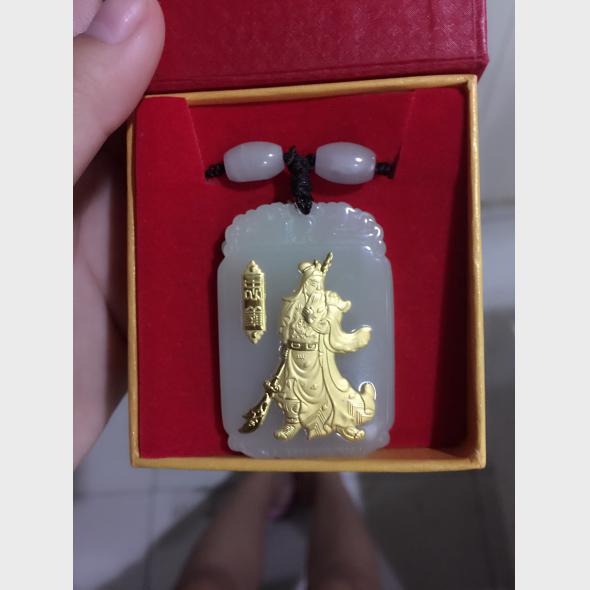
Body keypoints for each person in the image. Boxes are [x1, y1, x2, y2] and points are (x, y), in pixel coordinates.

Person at [74, 2, 381, 588]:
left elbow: (340, 327)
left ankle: (299, 479)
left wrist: (348, 332)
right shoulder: (284, 284)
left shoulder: (328, 277)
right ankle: (297, 480)